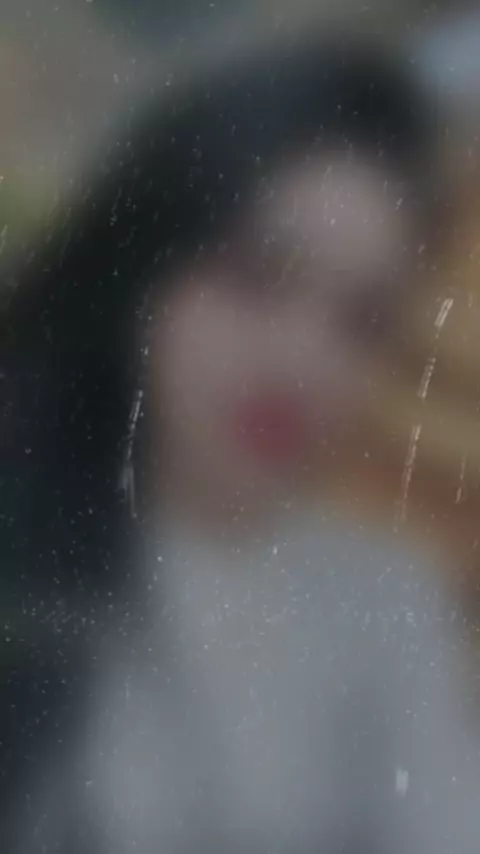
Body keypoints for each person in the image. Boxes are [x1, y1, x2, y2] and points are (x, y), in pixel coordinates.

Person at [2, 29, 479, 853]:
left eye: (359, 321)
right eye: (256, 276)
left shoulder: (385, 604)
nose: (302, 361)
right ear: (145, 258)